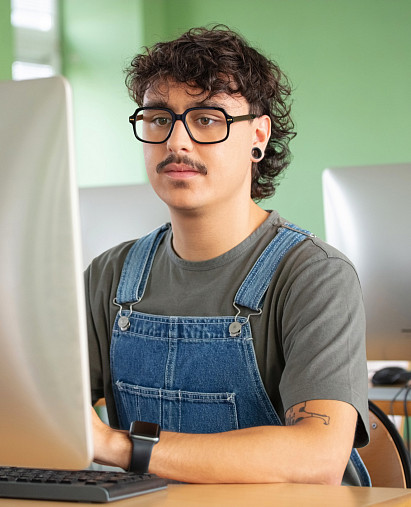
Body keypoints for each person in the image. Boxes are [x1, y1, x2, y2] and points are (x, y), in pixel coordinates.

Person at [84, 25, 370, 486]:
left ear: (258, 135)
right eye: (159, 118)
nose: (176, 142)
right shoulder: (109, 275)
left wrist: (119, 447)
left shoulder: (315, 275)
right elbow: (44, 409)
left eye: (207, 119)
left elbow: (317, 457)